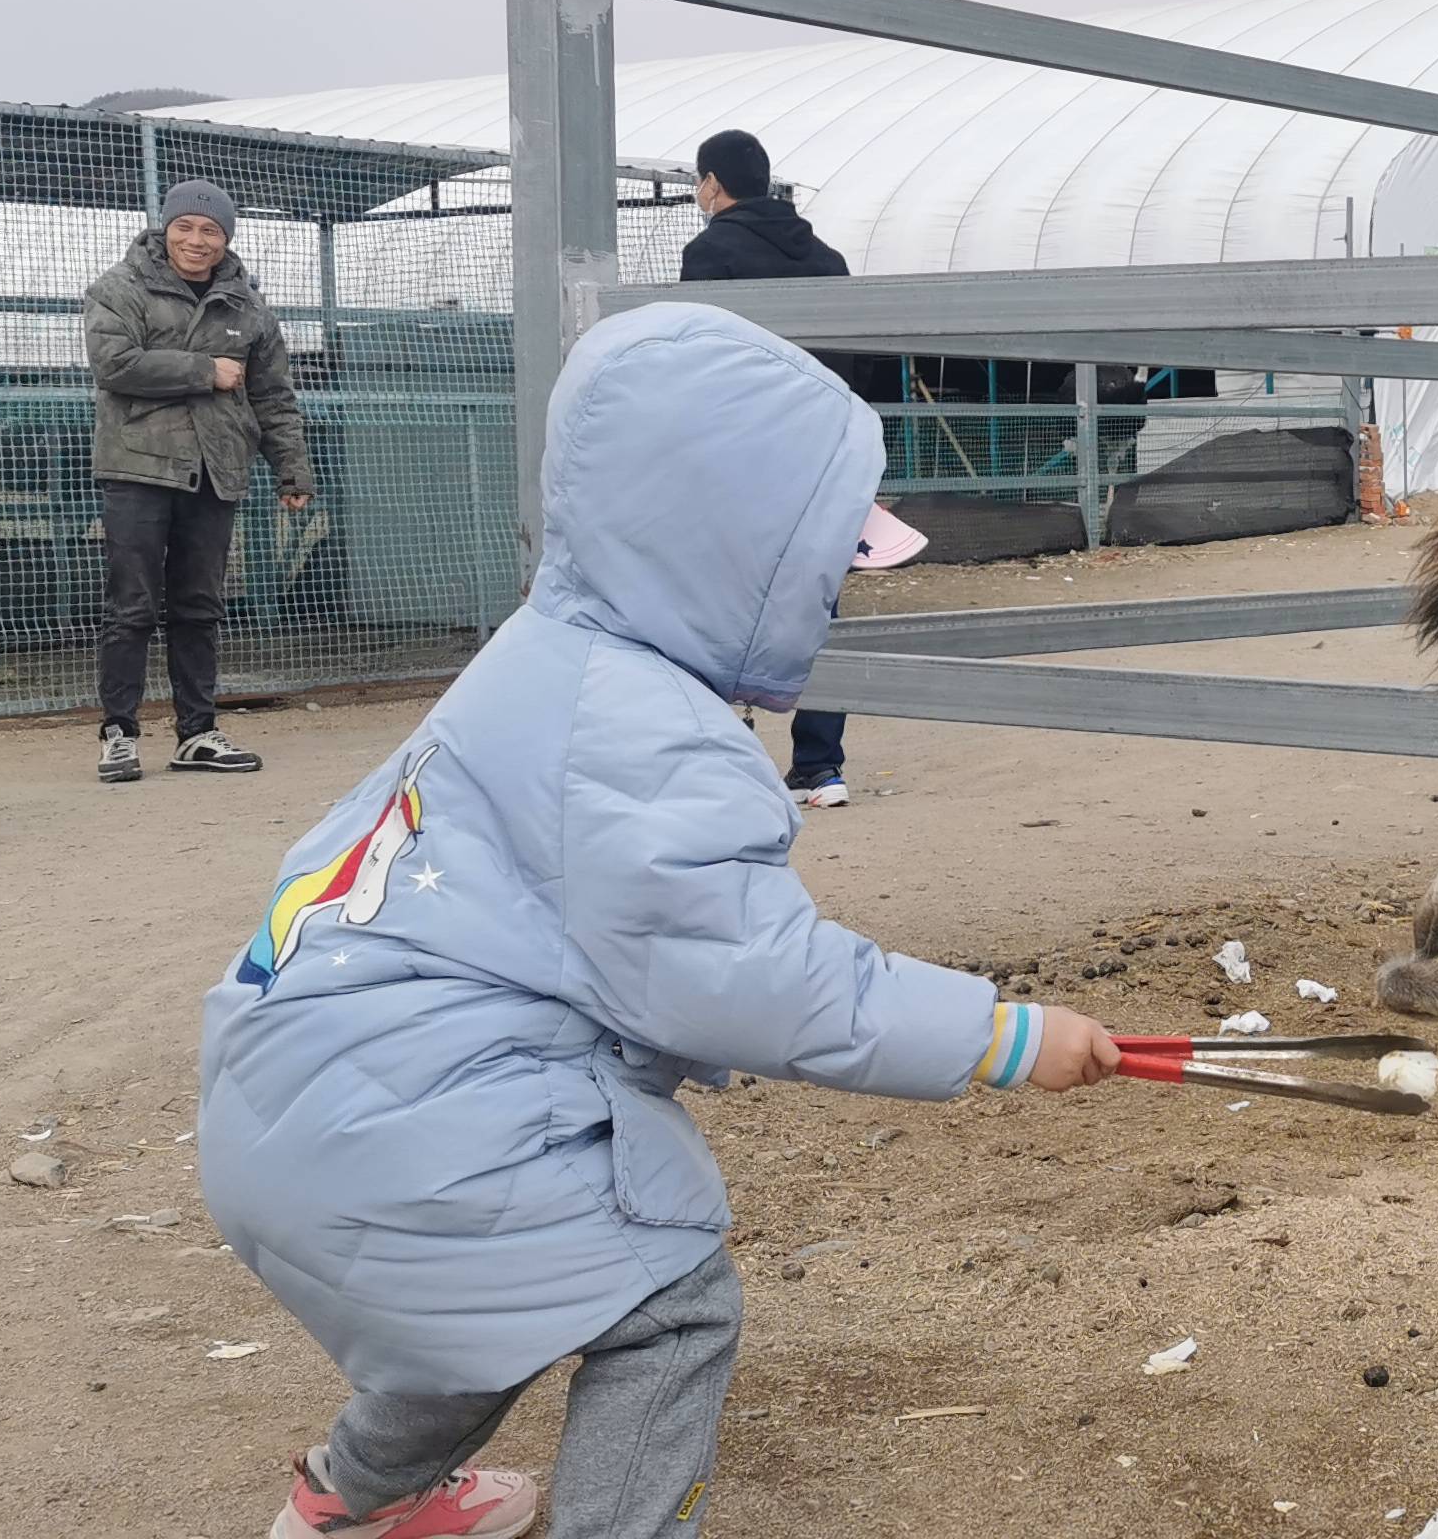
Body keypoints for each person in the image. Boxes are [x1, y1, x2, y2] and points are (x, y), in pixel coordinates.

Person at [200, 301, 1111, 1539]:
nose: (839, 588)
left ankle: (346, 1502)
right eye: (822, 560)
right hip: (413, 1124)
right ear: (730, 551)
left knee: (493, 1299)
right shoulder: (647, 734)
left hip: (304, 1099)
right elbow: (751, 980)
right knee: (667, 1303)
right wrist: (998, 1035)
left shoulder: (549, 653)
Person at [678, 130, 890, 810]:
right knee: (817, 609)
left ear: (714, 185)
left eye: (698, 182)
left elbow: (701, 363)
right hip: (825, 459)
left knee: (717, 605)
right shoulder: (827, 259)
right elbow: (858, 362)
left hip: (742, 459)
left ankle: (729, 761)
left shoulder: (710, 253)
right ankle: (821, 768)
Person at [81, 180, 313, 784]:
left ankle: (197, 732)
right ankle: (119, 733)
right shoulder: (119, 288)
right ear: (166, 229)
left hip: (215, 469)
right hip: (138, 465)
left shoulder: (248, 306)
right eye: (185, 227)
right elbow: (115, 365)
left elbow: (272, 395)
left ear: (226, 238)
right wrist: (205, 369)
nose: (197, 240)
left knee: (199, 606)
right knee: (131, 605)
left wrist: (291, 467)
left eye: (211, 230)